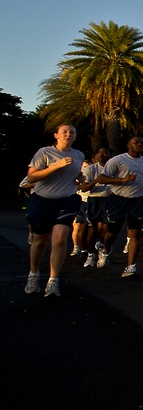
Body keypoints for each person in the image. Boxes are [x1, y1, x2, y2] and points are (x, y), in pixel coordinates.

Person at [23, 124, 85, 297]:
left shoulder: (78, 155)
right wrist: (55, 166)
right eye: (64, 132)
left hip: (66, 200)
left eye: (72, 132)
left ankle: (53, 281)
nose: (68, 134)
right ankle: (34, 274)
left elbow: (75, 175)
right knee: (40, 241)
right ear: (56, 135)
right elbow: (31, 177)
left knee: (59, 239)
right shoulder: (44, 152)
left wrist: (80, 177)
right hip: (42, 200)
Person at [96, 136, 143, 277]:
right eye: (136, 142)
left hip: (137, 200)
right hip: (118, 199)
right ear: (128, 145)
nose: (139, 145)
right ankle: (106, 250)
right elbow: (101, 178)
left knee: (134, 233)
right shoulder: (117, 160)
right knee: (112, 232)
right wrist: (122, 180)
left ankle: (131, 266)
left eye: (142, 143)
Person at [79, 148, 110, 268]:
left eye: (105, 152)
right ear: (96, 156)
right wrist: (97, 180)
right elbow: (84, 188)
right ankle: (90, 254)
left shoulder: (114, 168)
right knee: (91, 229)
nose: (102, 155)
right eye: (99, 153)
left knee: (106, 228)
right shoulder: (90, 169)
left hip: (108, 200)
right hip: (93, 200)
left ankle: (101, 247)